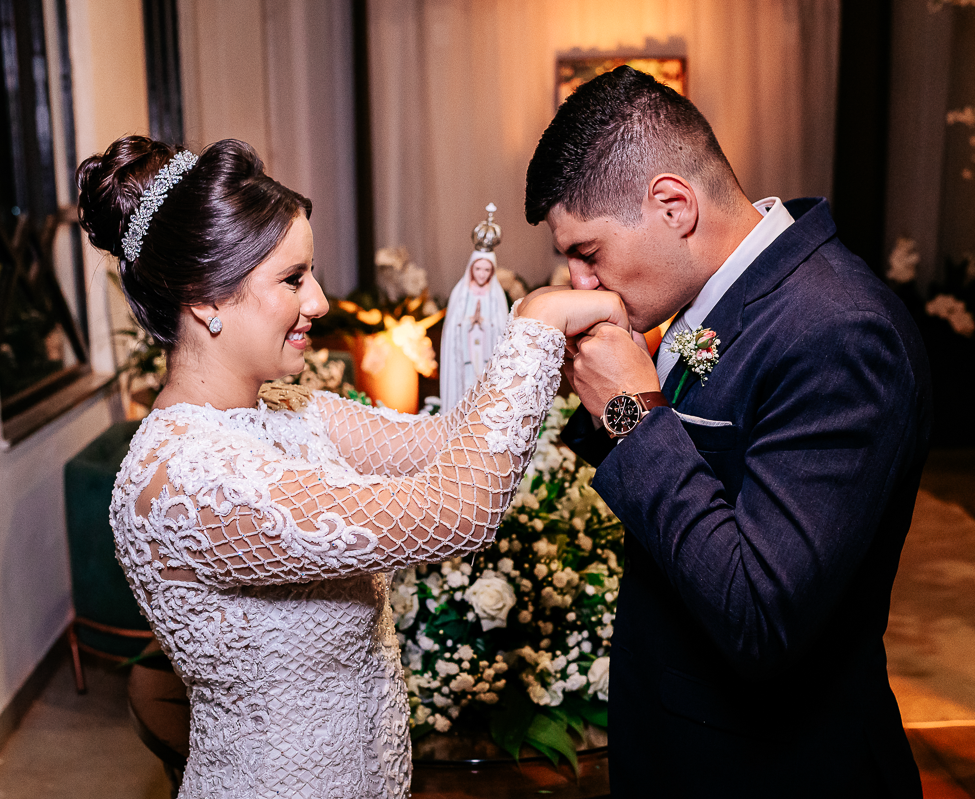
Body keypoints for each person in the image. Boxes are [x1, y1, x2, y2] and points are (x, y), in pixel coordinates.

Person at [77, 135, 626, 799]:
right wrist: (536, 323)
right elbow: (458, 512)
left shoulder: (292, 410)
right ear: (204, 297)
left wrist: (541, 360)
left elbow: (449, 442)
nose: (319, 302)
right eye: (292, 279)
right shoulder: (187, 476)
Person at [525, 67, 931, 797]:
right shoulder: (721, 299)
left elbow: (760, 612)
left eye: (587, 252)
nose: (581, 280)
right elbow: (700, 462)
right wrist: (590, 394)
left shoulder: (840, 330)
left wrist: (630, 411)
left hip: (777, 769)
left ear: (674, 205)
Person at [440, 203, 511, 409]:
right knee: (466, 385)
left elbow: (501, 328)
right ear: (471, 268)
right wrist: (467, 323)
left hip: (486, 349)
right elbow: (452, 326)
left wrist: (486, 324)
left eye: (486, 270)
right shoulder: (461, 293)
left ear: (492, 271)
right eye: (478, 268)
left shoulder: (495, 296)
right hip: (466, 350)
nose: (481, 274)